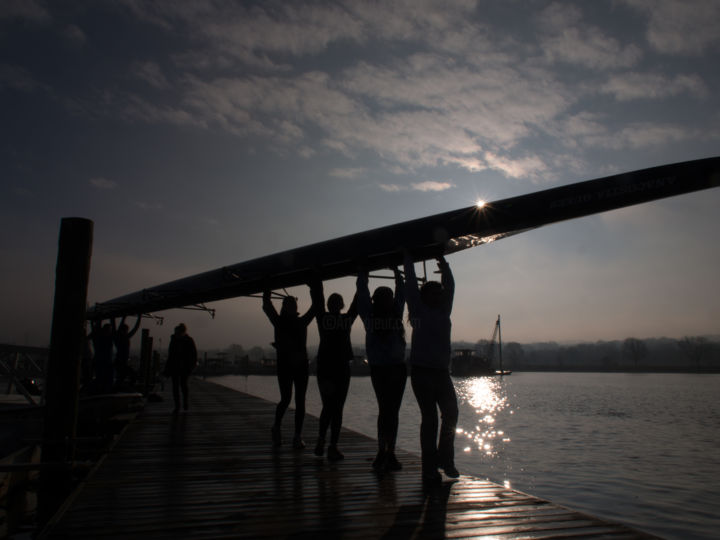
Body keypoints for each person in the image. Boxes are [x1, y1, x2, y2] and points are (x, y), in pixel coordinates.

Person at [404, 251, 459, 484]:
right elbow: (409, 285)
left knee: (451, 414)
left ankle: (445, 459)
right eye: (434, 293)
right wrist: (408, 258)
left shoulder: (444, 310)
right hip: (422, 372)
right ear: (425, 296)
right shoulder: (417, 310)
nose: (439, 296)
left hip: (441, 372)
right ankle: (429, 467)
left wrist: (442, 262)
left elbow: (451, 286)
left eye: (440, 293)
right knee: (430, 419)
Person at [356, 266, 406, 472]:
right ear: (377, 300)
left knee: (392, 412)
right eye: (383, 298)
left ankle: (389, 452)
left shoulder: (395, 313)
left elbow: (401, 294)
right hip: (381, 369)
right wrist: (363, 273)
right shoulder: (370, 315)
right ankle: (382, 451)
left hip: (396, 369)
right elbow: (362, 293)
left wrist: (397, 273)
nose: (387, 301)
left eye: (389, 298)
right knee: (385, 410)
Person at [311, 281, 358, 461]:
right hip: (340, 369)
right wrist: (363, 281)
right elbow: (355, 305)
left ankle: (323, 441)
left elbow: (318, 300)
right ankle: (331, 445)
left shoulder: (323, 319)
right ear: (341, 305)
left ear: (330, 305)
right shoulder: (345, 320)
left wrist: (317, 282)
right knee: (337, 409)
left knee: (329, 407)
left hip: (326, 368)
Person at [263, 288, 315, 449]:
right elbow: (267, 306)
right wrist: (315, 287)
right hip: (288, 366)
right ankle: (278, 429)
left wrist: (267, 288)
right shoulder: (282, 321)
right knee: (286, 399)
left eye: (293, 305)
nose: (292, 307)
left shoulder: (291, 321)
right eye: (290, 305)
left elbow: (315, 307)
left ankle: (296, 436)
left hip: (298, 367)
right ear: (285, 307)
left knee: (299, 400)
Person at [163, 323, 198, 413]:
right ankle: (177, 406)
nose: (176, 334)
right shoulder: (174, 340)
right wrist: (167, 368)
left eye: (178, 332)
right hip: (175, 366)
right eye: (176, 332)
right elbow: (170, 355)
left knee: (183, 385)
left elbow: (194, 355)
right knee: (175, 386)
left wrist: (191, 366)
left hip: (185, 367)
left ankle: (185, 402)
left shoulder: (189, 340)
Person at [113, 315, 142, 385]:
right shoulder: (120, 338)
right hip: (120, 361)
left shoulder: (123, 337)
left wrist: (139, 317)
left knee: (123, 377)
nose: (126, 331)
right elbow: (135, 328)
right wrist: (139, 317)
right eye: (126, 330)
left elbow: (135, 328)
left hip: (121, 361)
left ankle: (119, 387)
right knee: (127, 376)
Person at [89, 320, 114, 393]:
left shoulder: (98, 337)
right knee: (103, 379)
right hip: (104, 362)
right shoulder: (104, 338)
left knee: (102, 378)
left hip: (102, 361)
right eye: (109, 330)